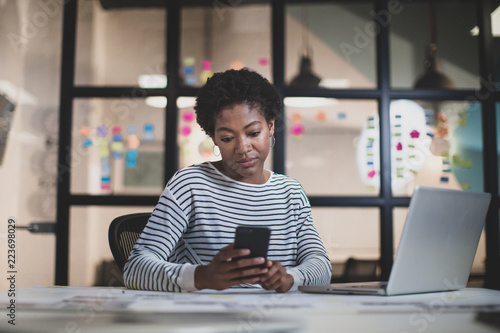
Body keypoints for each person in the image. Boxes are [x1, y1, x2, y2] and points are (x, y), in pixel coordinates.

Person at [123, 68, 332, 292]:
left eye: (253, 133)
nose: (243, 148)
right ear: (213, 137)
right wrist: (201, 277)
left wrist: (291, 277)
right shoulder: (190, 186)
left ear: (271, 126)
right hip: (208, 322)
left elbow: (322, 267)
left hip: (277, 322)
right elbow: (135, 269)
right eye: (227, 138)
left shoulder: (290, 192)